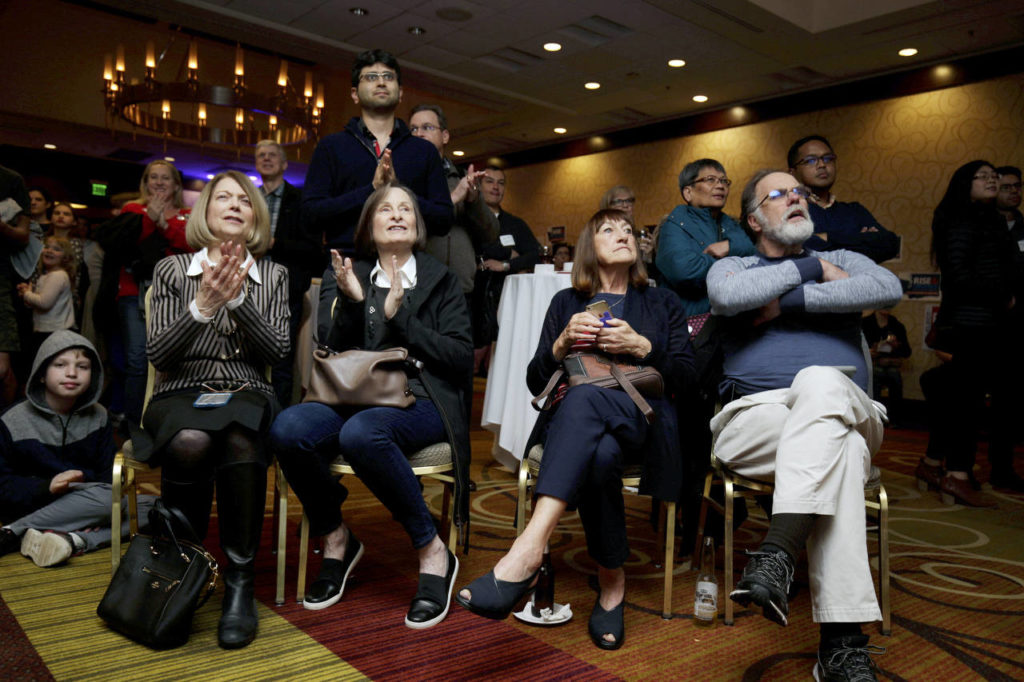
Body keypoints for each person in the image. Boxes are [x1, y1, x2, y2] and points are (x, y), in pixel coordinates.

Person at [457, 208, 696, 650]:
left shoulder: (661, 302)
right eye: (609, 229)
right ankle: (611, 580)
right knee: (599, 453)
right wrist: (562, 343)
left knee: (585, 398)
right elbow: (535, 380)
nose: (622, 234)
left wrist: (643, 346)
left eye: (628, 229)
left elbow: (687, 378)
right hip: (581, 428)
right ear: (590, 246)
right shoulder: (566, 303)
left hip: (642, 418)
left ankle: (527, 551)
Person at [707, 169, 901, 681]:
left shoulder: (848, 259)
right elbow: (730, 299)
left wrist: (785, 296)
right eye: (780, 193)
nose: (797, 196)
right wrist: (817, 271)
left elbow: (886, 288)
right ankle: (842, 645)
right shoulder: (732, 266)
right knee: (834, 455)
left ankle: (776, 553)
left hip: (851, 411)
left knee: (821, 382)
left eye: (800, 192)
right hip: (754, 418)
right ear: (753, 218)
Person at [270, 181, 472, 630]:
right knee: (289, 428)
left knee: (362, 433)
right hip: (351, 395)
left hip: (422, 398)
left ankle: (431, 549)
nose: (397, 214)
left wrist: (403, 318)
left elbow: (459, 357)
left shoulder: (442, 279)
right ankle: (336, 536)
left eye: (406, 209)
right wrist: (355, 303)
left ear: (418, 224)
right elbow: (333, 350)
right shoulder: (347, 273)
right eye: (386, 209)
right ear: (369, 224)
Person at [143, 171, 289, 649]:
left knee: (242, 435)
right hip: (181, 390)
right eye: (222, 197)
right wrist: (203, 304)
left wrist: (240, 299)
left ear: (255, 216)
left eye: (243, 200)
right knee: (191, 440)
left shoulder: (274, 275)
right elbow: (160, 355)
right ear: (204, 212)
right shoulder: (172, 271)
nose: (233, 204)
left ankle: (239, 583)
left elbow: (277, 351)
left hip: (247, 388)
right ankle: (182, 573)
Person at [0, 331, 155, 566]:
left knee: (156, 507)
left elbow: (106, 479)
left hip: (86, 502)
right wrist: (48, 486)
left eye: (82, 366)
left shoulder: (100, 416)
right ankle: (13, 532)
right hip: (31, 504)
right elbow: (3, 485)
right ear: (41, 374)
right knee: (109, 501)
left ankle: (71, 540)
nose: (72, 373)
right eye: (60, 365)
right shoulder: (12, 420)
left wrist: (84, 492)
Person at [917, 160, 1020, 500]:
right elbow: (958, 275)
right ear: (966, 183)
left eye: (995, 176)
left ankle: (937, 464)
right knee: (967, 402)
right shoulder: (961, 218)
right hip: (969, 324)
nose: (992, 181)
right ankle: (956, 473)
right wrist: (1003, 296)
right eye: (983, 177)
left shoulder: (989, 219)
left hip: (989, 325)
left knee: (961, 398)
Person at [302, 49, 452, 255]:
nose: (381, 83)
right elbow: (310, 216)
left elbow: (443, 220)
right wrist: (371, 190)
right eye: (371, 77)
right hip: (347, 263)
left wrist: (399, 191)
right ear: (354, 94)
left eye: (388, 77)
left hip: (408, 266)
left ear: (400, 93)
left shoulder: (424, 150)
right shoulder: (331, 146)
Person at [93, 160, 192, 426]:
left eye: (165, 178)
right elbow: (124, 244)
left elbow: (191, 246)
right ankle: (134, 423)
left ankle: (165, 418)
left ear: (176, 185)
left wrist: (165, 225)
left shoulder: (188, 213)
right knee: (137, 358)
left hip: (176, 297)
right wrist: (150, 218)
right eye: (153, 177)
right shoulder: (133, 209)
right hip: (132, 293)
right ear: (145, 182)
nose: (159, 182)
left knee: (171, 358)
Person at [254, 139, 324, 406]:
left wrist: (274, 244)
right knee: (251, 359)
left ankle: (278, 425)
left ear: (284, 164)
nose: (266, 158)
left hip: (286, 291)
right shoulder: (249, 200)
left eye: (272, 155)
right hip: (249, 287)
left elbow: (314, 249)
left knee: (282, 361)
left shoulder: (301, 201)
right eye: (261, 155)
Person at [655, 159, 756, 317]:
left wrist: (728, 247)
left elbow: (754, 253)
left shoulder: (730, 222)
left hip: (729, 319)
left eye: (724, 181)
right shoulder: (674, 224)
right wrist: (733, 265)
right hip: (688, 322)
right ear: (688, 192)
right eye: (710, 180)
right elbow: (684, 271)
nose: (720, 186)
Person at [787, 135, 901, 263]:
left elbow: (891, 244)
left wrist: (825, 237)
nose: (822, 164)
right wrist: (860, 240)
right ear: (793, 172)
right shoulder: (789, 209)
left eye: (828, 158)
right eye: (811, 160)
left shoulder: (854, 211)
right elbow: (796, 246)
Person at [472, 166, 541, 364]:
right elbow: (478, 250)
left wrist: (505, 265)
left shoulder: (515, 224)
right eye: (490, 181)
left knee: (503, 359)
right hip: (476, 299)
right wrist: (507, 253)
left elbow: (535, 255)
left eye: (500, 183)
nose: (496, 187)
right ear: (478, 185)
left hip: (507, 300)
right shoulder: (469, 218)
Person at [0, 164, 31, 408]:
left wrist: (4, 228)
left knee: (2, 369)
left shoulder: (11, 179)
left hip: (2, 279)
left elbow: (23, 235)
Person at [17, 236, 76, 363]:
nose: (49, 250)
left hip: (54, 332)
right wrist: (27, 293)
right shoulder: (46, 276)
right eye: (47, 247)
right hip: (45, 329)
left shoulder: (58, 276)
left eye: (56, 249)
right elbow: (36, 303)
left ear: (65, 258)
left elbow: (44, 303)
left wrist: (27, 293)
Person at [862, 307, 911, 421]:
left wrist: (896, 346)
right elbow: (856, 347)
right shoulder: (865, 323)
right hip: (871, 364)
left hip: (891, 365)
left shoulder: (897, 325)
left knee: (894, 376)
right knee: (875, 375)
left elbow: (907, 352)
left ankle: (894, 419)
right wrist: (869, 352)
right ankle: (875, 417)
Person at [599, 185, 655, 276]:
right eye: (619, 201)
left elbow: (648, 274)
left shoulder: (638, 235)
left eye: (629, 201)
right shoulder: (599, 233)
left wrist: (648, 256)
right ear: (607, 206)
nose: (625, 205)